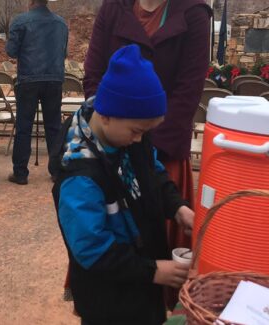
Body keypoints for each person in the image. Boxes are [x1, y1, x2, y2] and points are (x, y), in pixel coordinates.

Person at [51, 44, 195, 325]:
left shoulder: (128, 136)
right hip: (108, 300)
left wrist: (177, 208)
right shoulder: (80, 176)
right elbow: (94, 250)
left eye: (146, 132)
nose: (140, 140)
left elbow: (153, 173)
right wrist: (152, 271)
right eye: (137, 131)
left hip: (142, 283)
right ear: (106, 115)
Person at [81, 0, 211, 307]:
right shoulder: (114, 7)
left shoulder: (193, 12)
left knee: (157, 246)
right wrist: (112, 135)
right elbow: (94, 72)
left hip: (160, 148)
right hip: (111, 144)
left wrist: (142, 145)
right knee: (116, 245)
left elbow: (188, 89)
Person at [6, 0, 68, 185]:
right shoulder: (61, 23)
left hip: (29, 79)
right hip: (54, 79)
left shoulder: (20, 21)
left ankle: (20, 172)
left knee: (24, 126)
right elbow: (63, 53)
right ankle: (57, 171)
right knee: (54, 126)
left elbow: (11, 51)